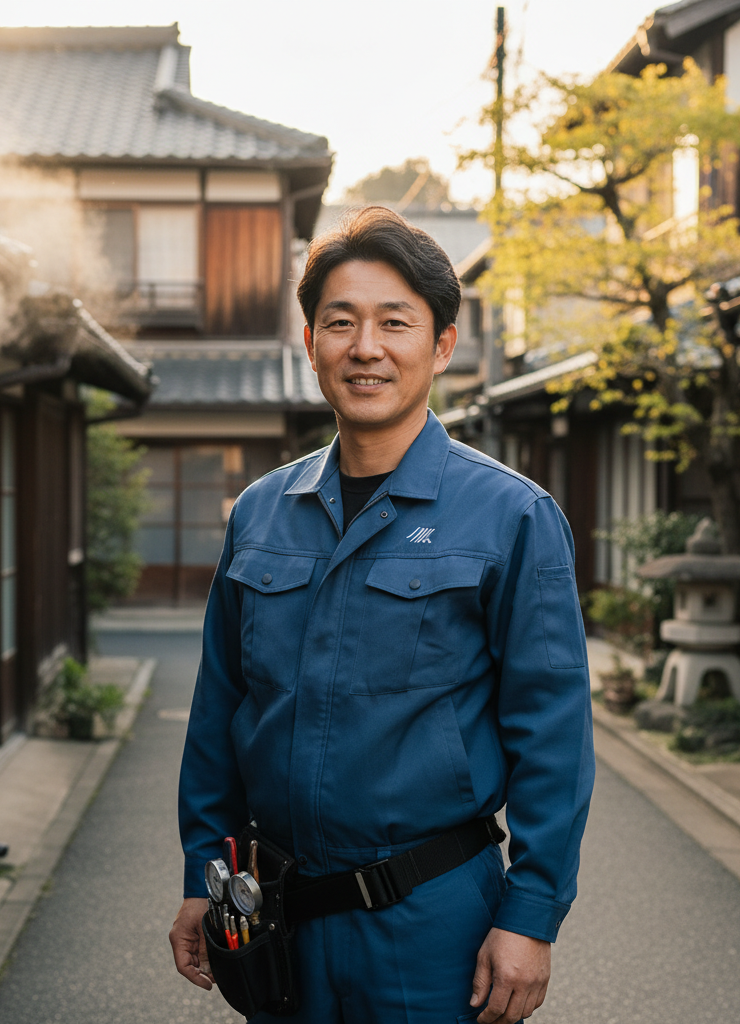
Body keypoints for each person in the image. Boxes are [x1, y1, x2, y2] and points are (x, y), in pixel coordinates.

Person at [169, 206, 594, 1023]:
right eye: (340, 323)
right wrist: (204, 878)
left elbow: (554, 735)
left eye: (394, 323)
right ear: (310, 343)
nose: (366, 348)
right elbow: (217, 714)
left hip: (434, 916)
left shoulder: (512, 516)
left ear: (441, 345)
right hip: (275, 911)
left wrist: (530, 915)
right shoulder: (261, 512)